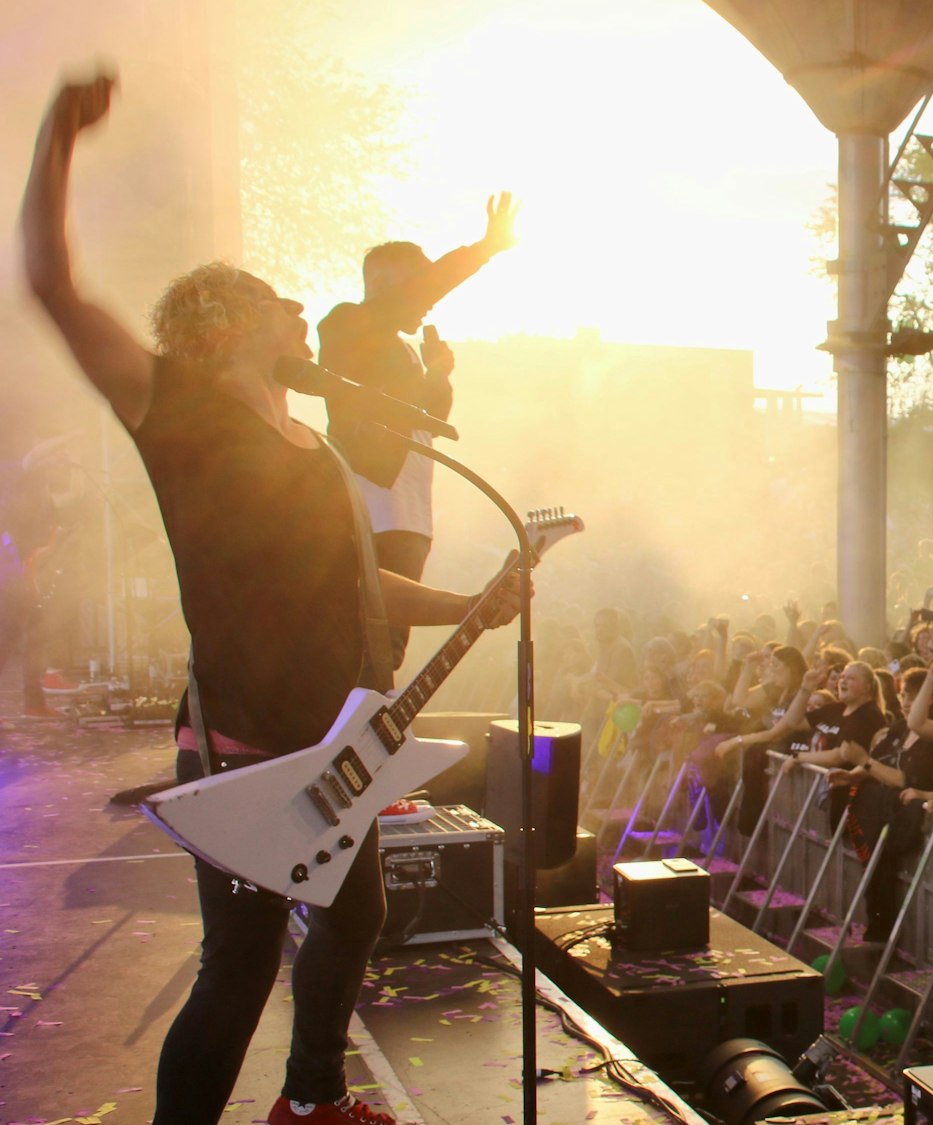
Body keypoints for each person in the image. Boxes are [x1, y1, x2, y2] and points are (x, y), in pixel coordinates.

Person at [21, 74, 523, 1125]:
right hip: (245, 737)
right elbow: (53, 285)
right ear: (223, 320)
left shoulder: (318, 449)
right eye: (284, 305)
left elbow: (359, 585)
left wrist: (472, 599)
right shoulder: (178, 406)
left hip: (330, 740)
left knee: (354, 921)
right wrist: (58, 136)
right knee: (237, 969)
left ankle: (310, 1102)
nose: (305, 316)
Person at [317, 193, 518, 670]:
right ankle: (349, 728)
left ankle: (369, 722)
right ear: (384, 283)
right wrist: (484, 248)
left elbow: (429, 419)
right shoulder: (348, 324)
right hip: (371, 502)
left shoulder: (399, 348)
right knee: (368, 632)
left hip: (408, 511)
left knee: (390, 646)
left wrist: (437, 373)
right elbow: (415, 297)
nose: (427, 302)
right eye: (419, 282)